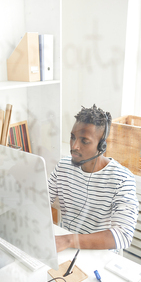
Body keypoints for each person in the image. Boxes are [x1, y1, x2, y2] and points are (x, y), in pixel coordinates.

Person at [48, 104, 139, 252]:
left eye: (84, 141)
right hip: (66, 249)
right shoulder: (63, 166)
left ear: (102, 146)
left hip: (98, 256)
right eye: (72, 137)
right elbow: (41, 201)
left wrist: (69, 239)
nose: (74, 146)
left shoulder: (122, 179)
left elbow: (123, 235)